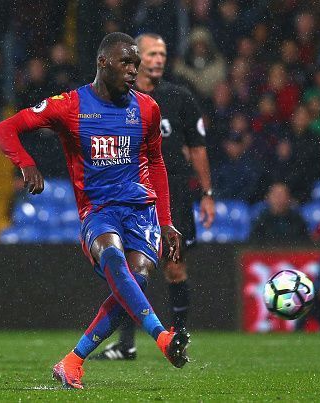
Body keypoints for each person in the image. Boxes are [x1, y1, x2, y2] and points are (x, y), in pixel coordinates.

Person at [0, 32, 190, 390]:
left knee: (137, 279)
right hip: (99, 210)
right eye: (125, 63)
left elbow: (157, 164)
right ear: (102, 62)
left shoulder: (147, 108)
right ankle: (161, 337)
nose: (134, 70)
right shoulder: (69, 105)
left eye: (136, 63)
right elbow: (6, 130)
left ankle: (72, 361)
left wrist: (168, 222)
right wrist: (24, 163)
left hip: (142, 212)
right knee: (114, 260)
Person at [89, 33, 214, 361]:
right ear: (135, 58)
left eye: (162, 53)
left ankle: (177, 336)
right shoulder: (118, 98)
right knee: (130, 271)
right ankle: (126, 344)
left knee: (175, 266)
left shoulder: (180, 98)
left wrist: (208, 193)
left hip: (172, 189)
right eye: (151, 53)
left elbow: (199, 149)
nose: (158, 59)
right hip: (131, 191)